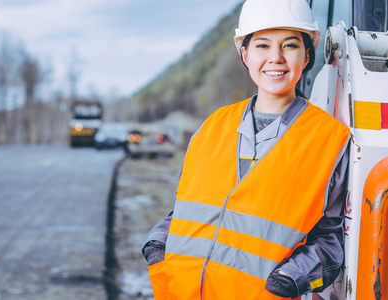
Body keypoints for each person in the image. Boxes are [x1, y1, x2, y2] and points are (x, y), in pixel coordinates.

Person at [142, 0, 351, 299]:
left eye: (290, 45)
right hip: (179, 291)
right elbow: (185, 211)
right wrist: (156, 245)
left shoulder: (329, 141)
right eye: (263, 46)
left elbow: (329, 242)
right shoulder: (212, 126)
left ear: (307, 55)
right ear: (245, 54)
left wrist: (289, 280)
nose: (275, 58)